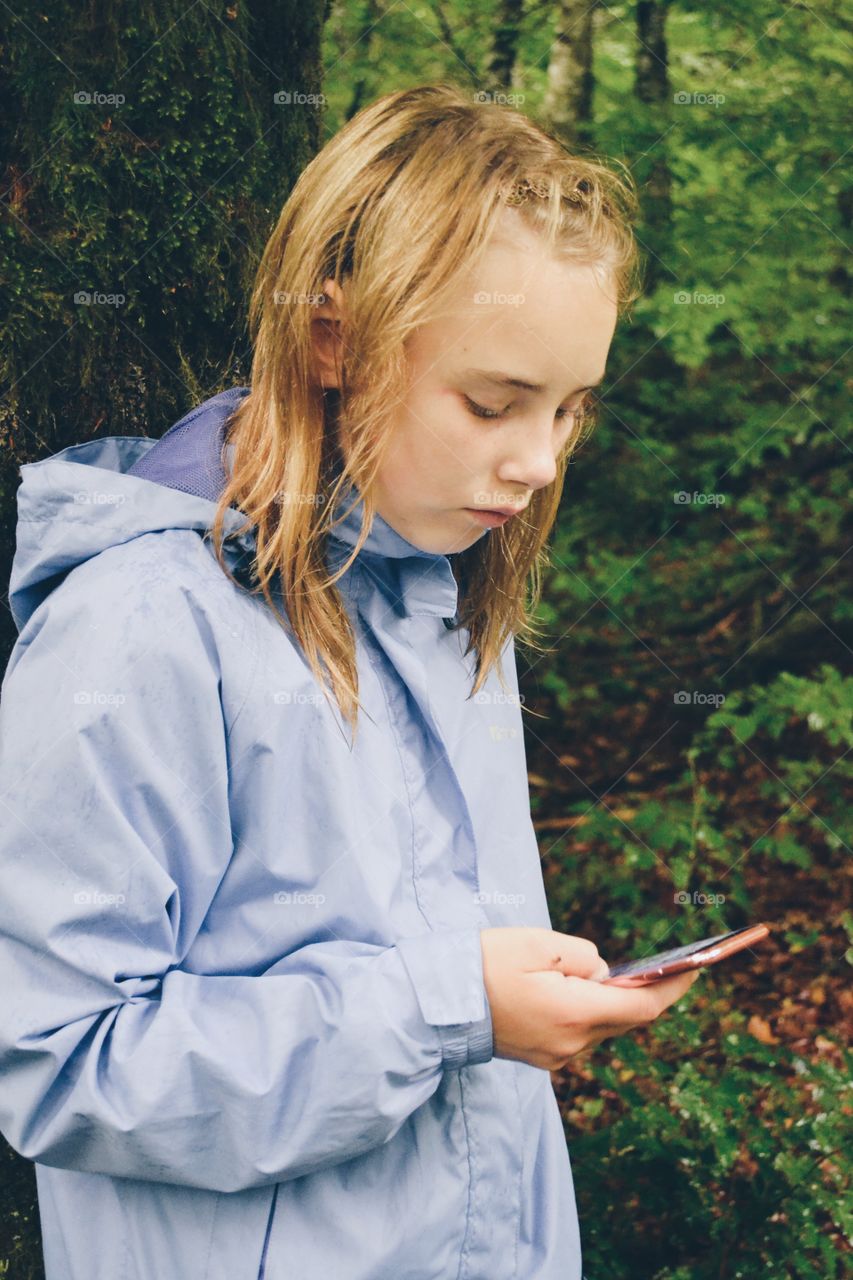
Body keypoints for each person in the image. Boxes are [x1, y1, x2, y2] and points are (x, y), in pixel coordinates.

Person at [0, 82, 699, 1280]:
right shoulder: (139, 629)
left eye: (569, 409)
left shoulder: (447, 597)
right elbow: (57, 1063)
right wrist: (447, 1004)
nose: (538, 461)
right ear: (333, 337)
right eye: (492, 402)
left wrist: (501, 1001)